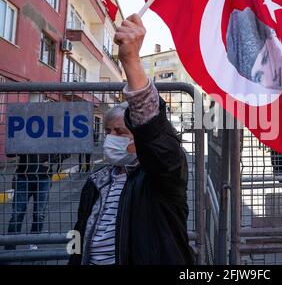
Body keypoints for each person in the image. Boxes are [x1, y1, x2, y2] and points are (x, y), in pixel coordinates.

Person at [69, 14, 194, 265]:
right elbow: (77, 235)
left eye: (120, 132)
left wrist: (131, 62)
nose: (110, 139)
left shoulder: (161, 179)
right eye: (108, 132)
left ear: (140, 137)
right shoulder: (97, 181)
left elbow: (156, 134)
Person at [5, 154, 56, 250]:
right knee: (17, 214)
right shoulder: (23, 138)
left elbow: (64, 150)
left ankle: (33, 242)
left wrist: (52, 160)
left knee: (39, 214)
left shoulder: (51, 139)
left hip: (43, 178)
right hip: (23, 177)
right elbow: (10, 153)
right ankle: (10, 247)